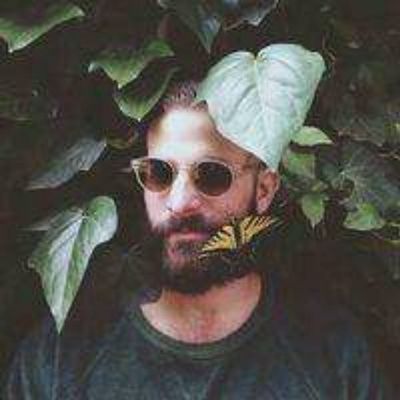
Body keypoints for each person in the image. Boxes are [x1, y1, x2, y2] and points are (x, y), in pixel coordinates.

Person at [2, 64, 392, 399]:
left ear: (263, 190)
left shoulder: (334, 357)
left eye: (211, 174)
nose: (180, 202)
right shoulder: (60, 359)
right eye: (159, 173)